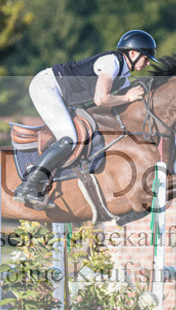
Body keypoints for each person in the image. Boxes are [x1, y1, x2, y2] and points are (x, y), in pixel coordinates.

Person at [13, 29, 160, 208]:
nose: (147, 63)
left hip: (62, 95)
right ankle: (27, 186)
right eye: (145, 58)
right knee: (69, 139)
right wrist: (127, 98)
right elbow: (101, 99)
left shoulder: (123, 78)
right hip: (47, 87)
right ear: (133, 53)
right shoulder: (111, 62)